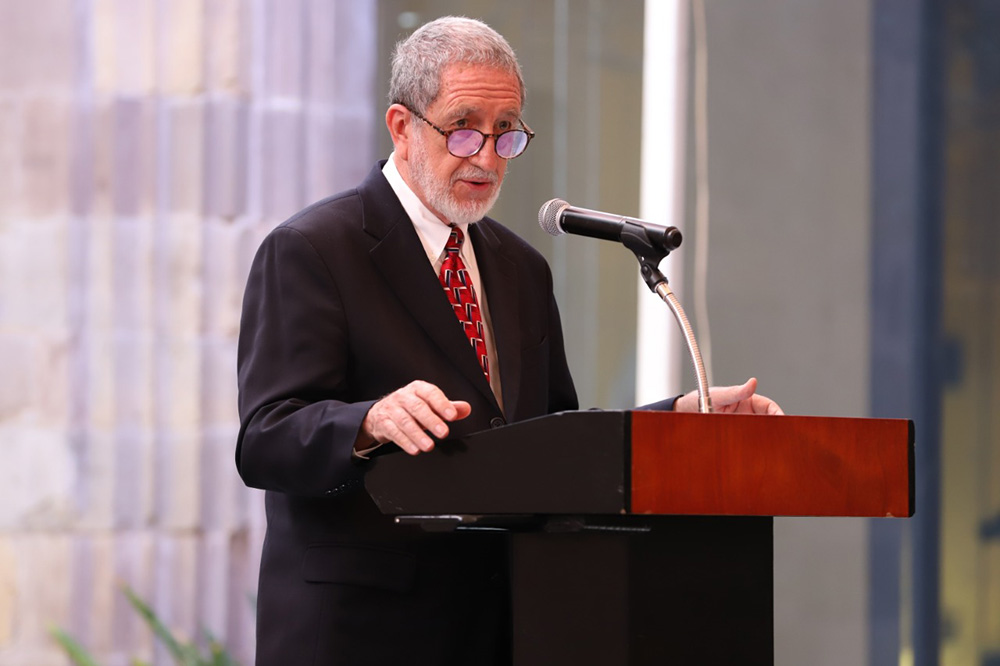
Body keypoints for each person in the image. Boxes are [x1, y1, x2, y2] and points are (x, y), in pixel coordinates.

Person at [236, 15, 782, 666]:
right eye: (463, 128)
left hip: (500, 626)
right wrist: (369, 421)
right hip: (362, 631)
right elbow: (265, 439)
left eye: (507, 132)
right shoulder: (313, 249)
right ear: (402, 127)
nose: (488, 157)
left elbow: (552, 439)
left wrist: (679, 420)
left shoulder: (520, 266)